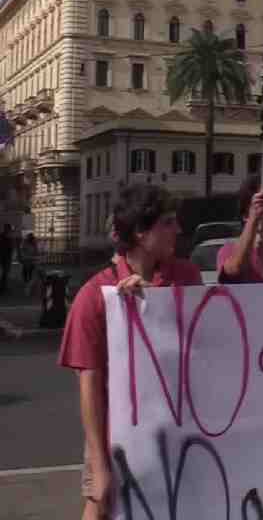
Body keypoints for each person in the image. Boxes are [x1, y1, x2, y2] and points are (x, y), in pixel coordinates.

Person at [59, 184, 201, 520]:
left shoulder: (188, 277)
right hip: (118, 443)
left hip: (182, 436)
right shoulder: (93, 297)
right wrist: (99, 465)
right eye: (168, 222)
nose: (178, 230)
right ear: (140, 232)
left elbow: (207, 345)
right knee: (102, 506)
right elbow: (89, 385)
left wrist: (157, 307)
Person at [0, 223, 12, 293]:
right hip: (4, 257)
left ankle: (3, 286)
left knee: (5, 272)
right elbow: (9, 248)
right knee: (5, 272)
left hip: (5, 256)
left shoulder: (5, 236)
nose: (9, 230)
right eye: (9, 229)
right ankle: (3, 287)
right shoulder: (6, 237)